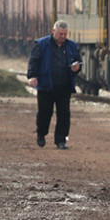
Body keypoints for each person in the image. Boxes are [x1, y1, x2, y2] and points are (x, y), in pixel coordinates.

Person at [27, 20, 82, 150]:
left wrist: (76, 68)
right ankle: (41, 133)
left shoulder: (72, 46)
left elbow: (77, 61)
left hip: (64, 86)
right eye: (60, 34)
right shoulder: (41, 44)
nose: (63, 37)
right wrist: (32, 76)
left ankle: (61, 140)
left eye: (65, 34)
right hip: (46, 85)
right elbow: (34, 61)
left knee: (64, 114)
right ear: (53, 31)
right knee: (45, 113)